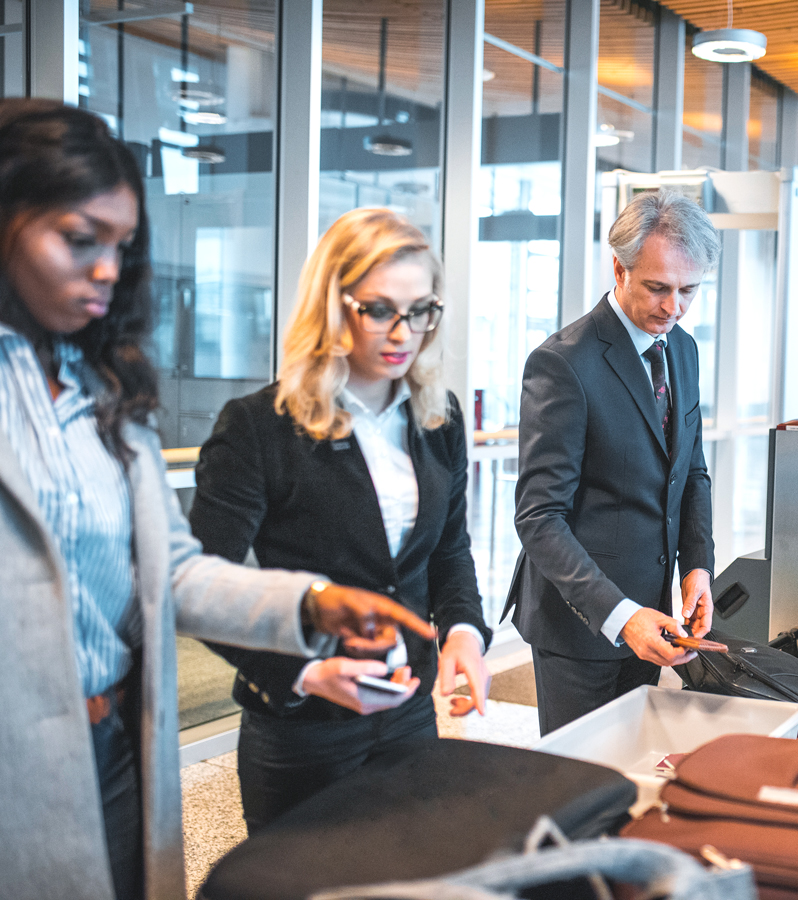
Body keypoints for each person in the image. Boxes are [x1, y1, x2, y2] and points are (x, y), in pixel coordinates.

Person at [0, 100, 436, 900]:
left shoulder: (102, 387)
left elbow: (175, 571)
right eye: (78, 239)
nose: (107, 269)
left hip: (124, 743)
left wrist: (314, 604)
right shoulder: (257, 423)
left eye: (122, 247)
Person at [189, 208, 492, 833]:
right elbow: (199, 586)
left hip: (408, 703)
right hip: (304, 725)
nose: (403, 331)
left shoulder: (440, 416)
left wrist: (463, 628)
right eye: (379, 309)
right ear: (333, 305)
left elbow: (448, 550)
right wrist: (303, 673)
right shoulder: (258, 426)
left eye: (421, 310)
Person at [505, 189, 720, 736]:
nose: (674, 307)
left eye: (689, 290)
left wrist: (697, 566)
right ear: (620, 270)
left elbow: (690, 469)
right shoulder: (563, 363)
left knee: (633, 772)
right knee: (579, 784)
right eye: (658, 288)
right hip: (582, 621)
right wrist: (620, 617)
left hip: (656, 615)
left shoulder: (684, 350)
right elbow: (538, 517)